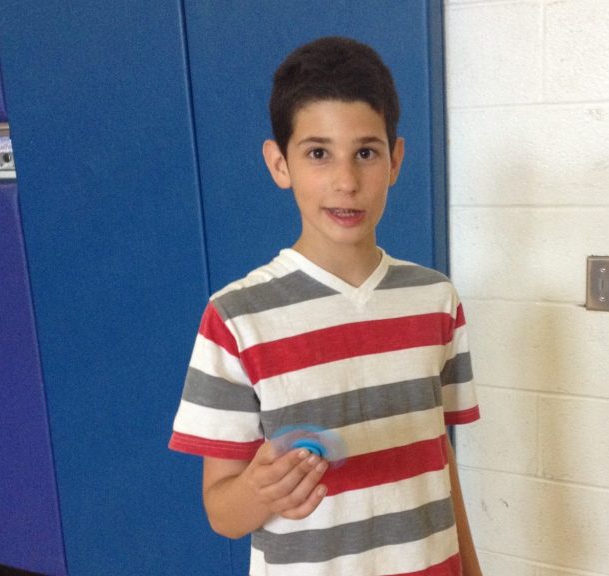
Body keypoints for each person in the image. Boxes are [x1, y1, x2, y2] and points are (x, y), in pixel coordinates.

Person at [169, 36, 483, 576]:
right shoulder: (237, 318)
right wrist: (260, 490)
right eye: (319, 153)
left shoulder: (435, 300)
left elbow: (438, 457)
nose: (346, 181)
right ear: (279, 164)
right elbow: (222, 513)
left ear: (395, 160)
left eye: (366, 152)